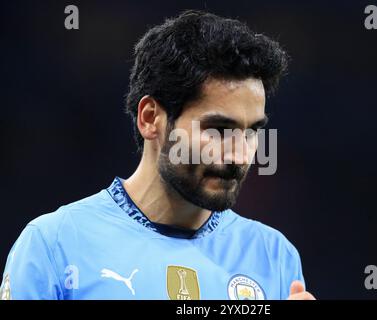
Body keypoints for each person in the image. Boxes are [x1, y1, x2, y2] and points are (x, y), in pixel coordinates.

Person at [0, 10, 315, 300]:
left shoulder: (274, 257)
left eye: (251, 132)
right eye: (219, 129)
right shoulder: (53, 247)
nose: (237, 156)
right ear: (151, 118)